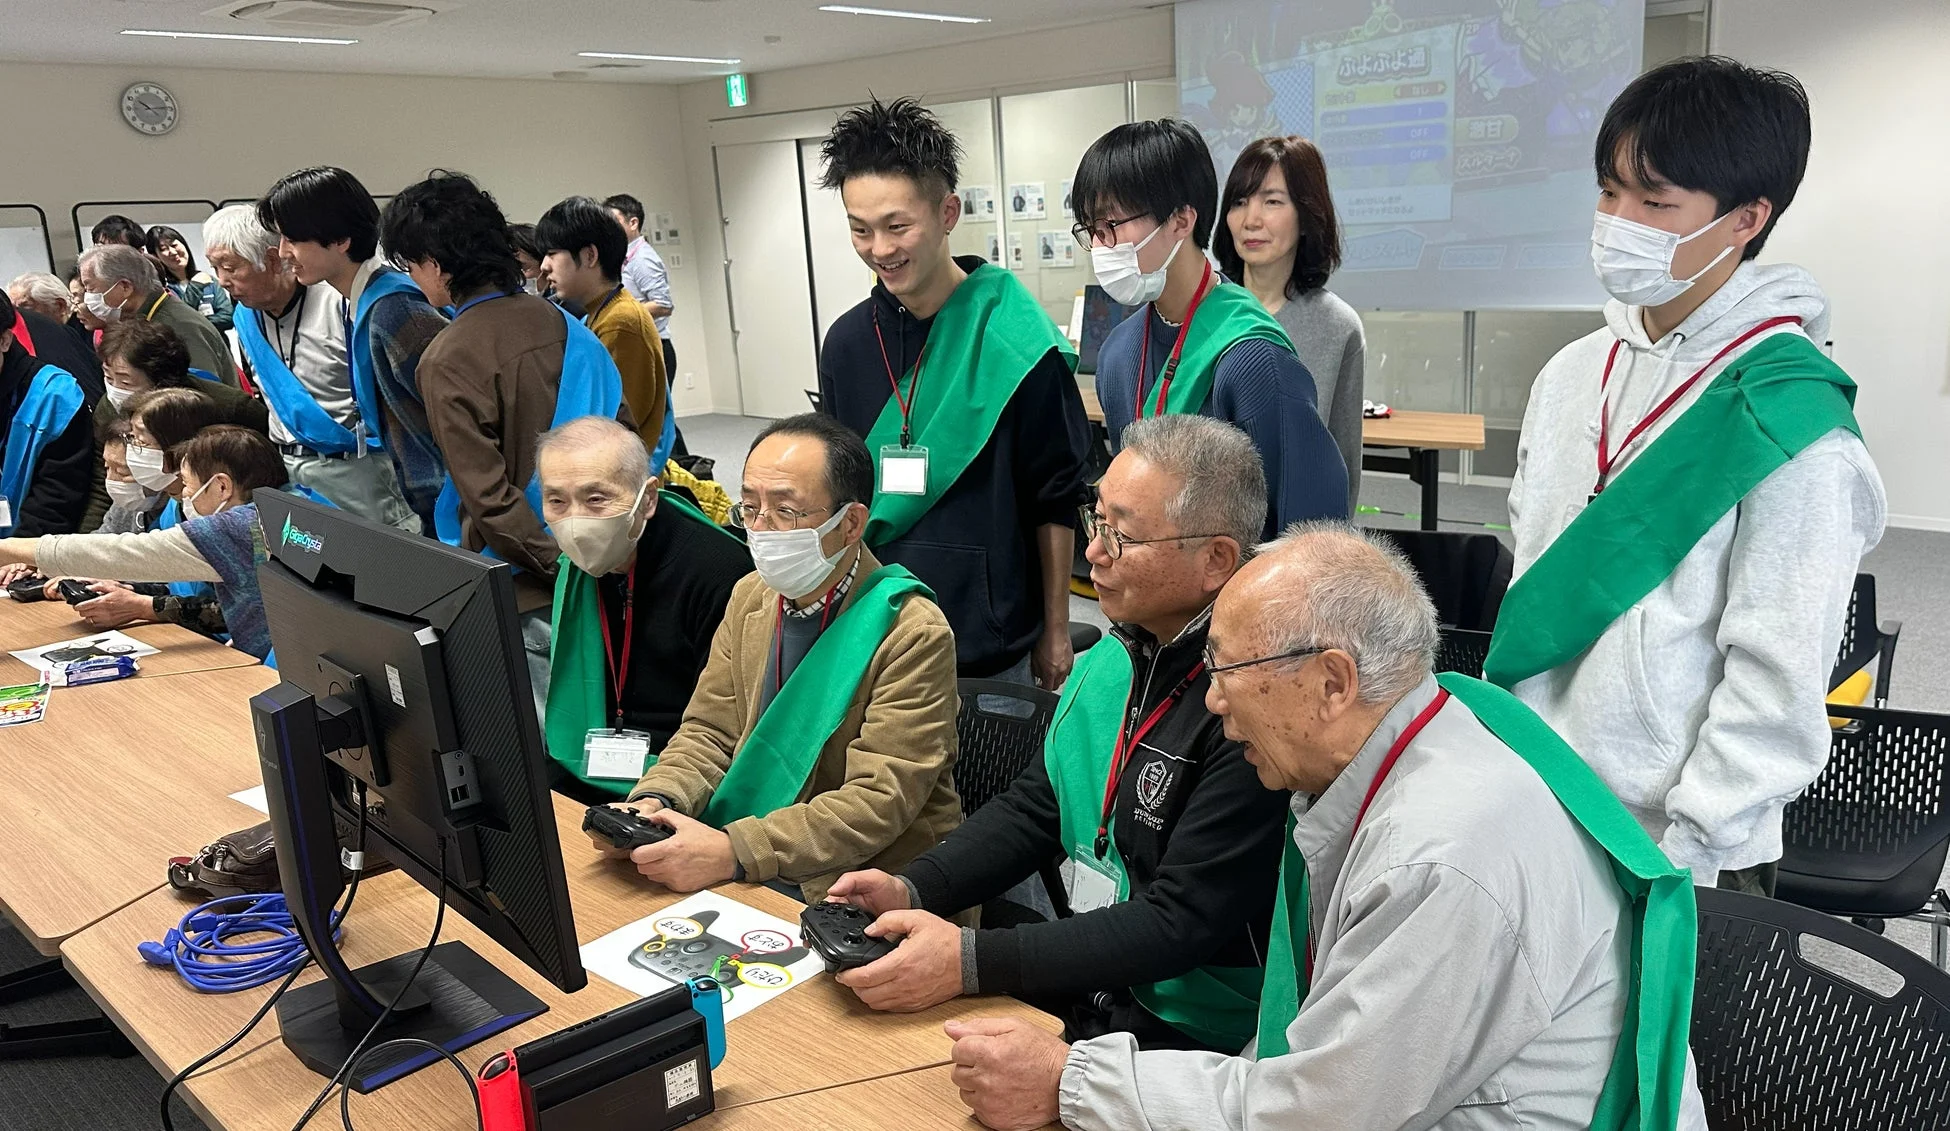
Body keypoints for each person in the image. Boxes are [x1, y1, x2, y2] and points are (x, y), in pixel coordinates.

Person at [945, 523, 1701, 1131]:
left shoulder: (1438, 855)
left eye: (1229, 672)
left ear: (1333, 682)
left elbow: (1321, 1113)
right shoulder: (1407, 752)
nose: (1212, 703)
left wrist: (1073, 1082)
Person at [1494, 56, 1886, 896]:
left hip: (1678, 848)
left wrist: (1693, 850)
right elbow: (1532, 568)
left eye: (1655, 201)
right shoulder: (1570, 374)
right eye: (1609, 192)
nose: (1619, 221)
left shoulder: (1790, 417)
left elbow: (1777, 681)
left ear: (1747, 218)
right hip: (1537, 801)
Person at [826, 415, 1286, 1054]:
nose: (1092, 552)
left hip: (1200, 1032)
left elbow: (1181, 921)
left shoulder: (1254, 705)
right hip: (1092, 980)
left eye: (1122, 536)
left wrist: (968, 961)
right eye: (1096, 521)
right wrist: (915, 885)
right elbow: (1037, 807)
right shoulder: (1113, 656)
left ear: (1216, 560)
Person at [588, 414, 961, 904]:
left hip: (860, 882)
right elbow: (709, 731)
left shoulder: (911, 631)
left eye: (785, 512)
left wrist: (731, 850)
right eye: (750, 507)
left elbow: (876, 803)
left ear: (850, 523)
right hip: (750, 852)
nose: (761, 529)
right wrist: (657, 801)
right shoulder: (751, 597)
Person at [815, 96, 1091, 688]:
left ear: (947, 213)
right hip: (876, 634)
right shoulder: (845, 344)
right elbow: (840, 494)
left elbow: (1053, 496)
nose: (879, 250)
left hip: (992, 644)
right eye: (859, 230)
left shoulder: (1015, 340)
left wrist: (1057, 628)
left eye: (897, 226)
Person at [380, 171, 626, 710]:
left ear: (438, 266)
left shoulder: (448, 356)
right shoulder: (571, 326)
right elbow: (625, 434)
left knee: (549, 738)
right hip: (609, 555)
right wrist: (597, 558)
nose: (415, 280)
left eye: (413, 265)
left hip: (524, 583)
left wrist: (561, 567)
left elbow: (486, 495)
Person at [1073, 119, 1348, 537]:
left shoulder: (1255, 362)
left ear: (1182, 221)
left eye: (1113, 225)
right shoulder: (1118, 354)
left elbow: (1309, 533)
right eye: (1091, 230)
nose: (1101, 246)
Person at [539, 416, 752, 799]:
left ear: (648, 498)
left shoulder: (717, 572)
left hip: (688, 769)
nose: (574, 521)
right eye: (557, 501)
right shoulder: (582, 568)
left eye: (596, 499)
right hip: (596, 756)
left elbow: (727, 726)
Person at [258, 165, 451, 530]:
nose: (283, 252)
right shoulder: (359, 302)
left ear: (340, 239)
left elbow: (456, 419)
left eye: (293, 239)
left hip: (448, 506)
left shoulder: (393, 309)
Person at [203, 205, 416, 530]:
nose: (222, 281)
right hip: (286, 470)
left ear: (274, 260)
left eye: (230, 267)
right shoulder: (244, 318)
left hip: (357, 469)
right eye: (214, 268)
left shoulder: (341, 302)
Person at [0, 425, 289, 660]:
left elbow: (122, 554)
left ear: (222, 486)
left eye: (187, 485)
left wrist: (7, 549)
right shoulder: (292, 506)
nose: (183, 495)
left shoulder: (233, 528)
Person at [1216, 137, 1364, 515]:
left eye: (1272, 201)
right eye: (1239, 201)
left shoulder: (1338, 325)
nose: (1251, 219)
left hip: (1295, 536)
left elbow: (1342, 462)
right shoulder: (1205, 310)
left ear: (1306, 214)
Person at [535, 197, 671, 464]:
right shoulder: (599, 312)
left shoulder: (620, 322)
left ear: (589, 256)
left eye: (552, 253)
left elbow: (616, 426)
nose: (544, 266)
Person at [76, 243, 238, 387]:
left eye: (90, 289)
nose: (88, 299)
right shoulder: (144, 320)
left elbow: (202, 394)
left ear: (125, 287)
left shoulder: (179, 325)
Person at [0, 290, 91, 536]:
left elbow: (58, 494)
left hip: (26, 545)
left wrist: (18, 556)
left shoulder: (55, 395)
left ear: (5, 341)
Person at [603, 193, 686, 459]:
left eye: (613, 220)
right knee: (655, 420)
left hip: (657, 346)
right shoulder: (624, 257)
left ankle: (686, 473)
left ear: (633, 223)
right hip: (645, 345)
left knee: (658, 422)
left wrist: (621, 313)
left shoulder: (643, 259)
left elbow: (663, 304)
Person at [97, 321, 266, 433]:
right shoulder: (107, 408)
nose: (115, 390)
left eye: (126, 382)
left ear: (162, 382)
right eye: (108, 377)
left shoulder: (229, 406)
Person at [146, 225, 234, 333]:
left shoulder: (208, 280)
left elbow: (228, 317)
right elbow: (179, 321)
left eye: (174, 245)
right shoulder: (163, 289)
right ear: (156, 256)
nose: (173, 252)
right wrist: (195, 287)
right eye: (164, 249)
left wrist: (194, 323)